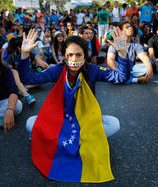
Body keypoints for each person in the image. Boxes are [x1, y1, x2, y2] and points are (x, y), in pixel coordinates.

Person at [18, 29, 129, 183]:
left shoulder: (93, 70)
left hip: (85, 121)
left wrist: (123, 54)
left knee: (114, 123)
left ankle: (62, 140)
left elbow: (121, 77)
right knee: (30, 123)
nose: (73, 59)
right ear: (64, 56)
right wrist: (24, 55)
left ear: (85, 55)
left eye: (78, 55)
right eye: (69, 55)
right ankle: (80, 141)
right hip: (60, 121)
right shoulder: (57, 71)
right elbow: (28, 78)